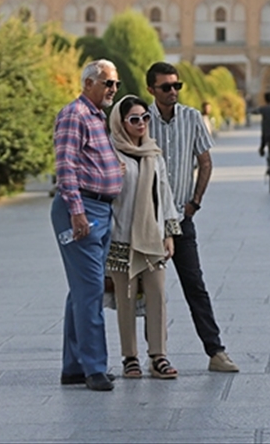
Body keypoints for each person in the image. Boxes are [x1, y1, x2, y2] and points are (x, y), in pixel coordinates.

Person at [146, 62, 240, 373]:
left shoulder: (191, 117)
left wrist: (195, 203)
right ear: (151, 90)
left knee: (195, 285)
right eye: (166, 87)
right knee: (151, 290)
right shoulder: (142, 119)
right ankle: (153, 355)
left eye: (177, 86)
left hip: (181, 218)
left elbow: (205, 162)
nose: (173, 92)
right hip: (149, 219)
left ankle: (216, 351)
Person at [52, 59, 124, 391]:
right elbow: (65, 165)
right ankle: (94, 368)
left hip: (99, 208)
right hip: (82, 208)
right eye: (108, 83)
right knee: (91, 289)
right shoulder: (75, 114)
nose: (113, 89)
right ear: (88, 83)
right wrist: (77, 212)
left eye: (116, 84)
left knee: (81, 289)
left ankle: (74, 367)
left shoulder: (96, 116)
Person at [107, 95, 181, 379]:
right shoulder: (110, 153)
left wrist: (169, 233)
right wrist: (110, 176)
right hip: (121, 236)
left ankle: (158, 355)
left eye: (145, 118)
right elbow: (100, 192)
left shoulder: (153, 154)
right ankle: (130, 357)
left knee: (157, 296)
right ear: (120, 122)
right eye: (134, 119)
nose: (141, 124)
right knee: (125, 298)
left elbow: (165, 194)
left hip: (152, 238)